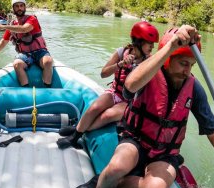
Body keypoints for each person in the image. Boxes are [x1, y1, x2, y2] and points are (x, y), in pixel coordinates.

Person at [69, 25, 214, 188]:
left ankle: (107, 185)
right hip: (135, 140)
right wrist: (171, 46)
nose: (187, 71)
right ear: (168, 59)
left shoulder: (194, 88)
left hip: (166, 153)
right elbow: (130, 86)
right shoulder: (148, 72)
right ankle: (102, 186)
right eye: (183, 63)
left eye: (191, 65)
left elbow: (213, 130)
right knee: (115, 168)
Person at [57, 21, 159, 149]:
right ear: (138, 41)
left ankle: (77, 131)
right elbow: (103, 74)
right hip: (115, 92)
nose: (152, 47)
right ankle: (75, 136)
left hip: (130, 102)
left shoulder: (150, 61)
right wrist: (120, 64)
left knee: (108, 115)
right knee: (95, 108)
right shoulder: (122, 52)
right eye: (149, 43)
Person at [0, 0, 53, 88]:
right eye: (17, 6)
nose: (19, 8)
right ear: (13, 8)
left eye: (22, 6)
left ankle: (47, 88)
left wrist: (3, 26)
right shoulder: (12, 25)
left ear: (25, 7)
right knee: (17, 64)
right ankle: (25, 90)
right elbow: (4, 41)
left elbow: (24, 29)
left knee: (48, 61)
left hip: (40, 52)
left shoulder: (32, 19)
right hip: (25, 55)